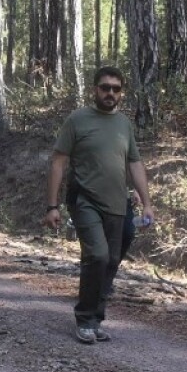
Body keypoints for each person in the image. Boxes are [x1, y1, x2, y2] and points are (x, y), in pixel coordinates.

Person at [43, 67, 153, 344]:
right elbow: (58, 161)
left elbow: (134, 163)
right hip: (85, 201)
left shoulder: (124, 124)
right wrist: (52, 206)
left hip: (118, 204)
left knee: (112, 261)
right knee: (98, 256)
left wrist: (147, 202)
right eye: (105, 88)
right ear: (95, 89)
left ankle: (96, 318)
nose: (110, 93)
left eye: (116, 89)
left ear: (121, 93)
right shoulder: (78, 120)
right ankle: (84, 318)